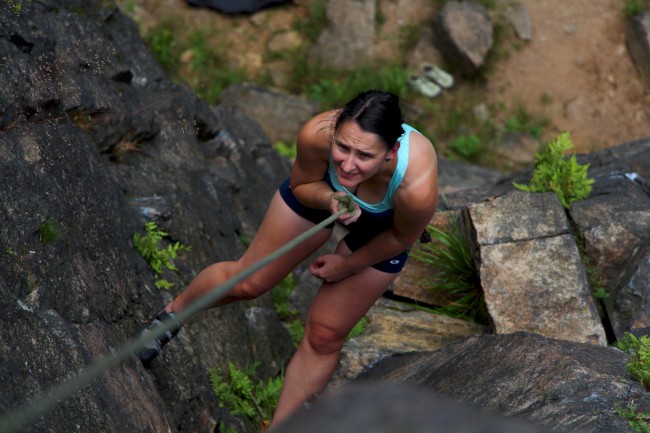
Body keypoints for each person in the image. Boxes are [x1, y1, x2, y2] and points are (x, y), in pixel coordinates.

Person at [134, 89, 439, 427]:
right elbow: (300, 185)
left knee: (325, 335)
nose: (349, 164)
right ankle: (169, 318)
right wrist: (328, 198)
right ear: (335, 131)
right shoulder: (317, 134)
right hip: (321, 193)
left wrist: (347, 264)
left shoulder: (416, 187)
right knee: (248, 282)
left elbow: (400, 237)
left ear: (391, 151)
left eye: (364, 155)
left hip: (382, 228)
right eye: (343, 147)